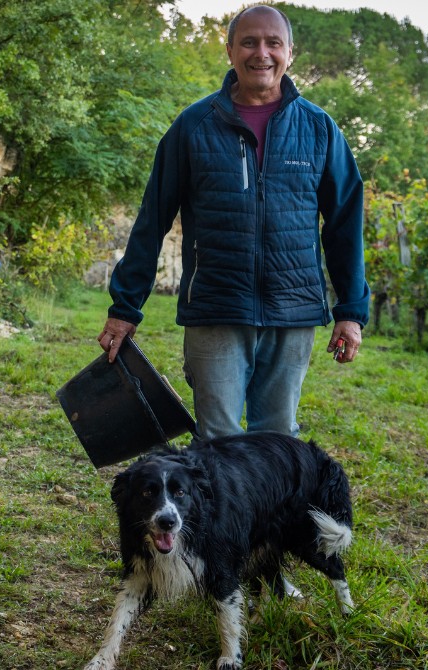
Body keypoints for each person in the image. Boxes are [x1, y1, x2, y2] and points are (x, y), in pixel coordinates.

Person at [97, 4, 369, 440]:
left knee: (277, 440)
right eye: (249, 42)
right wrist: (124, 308)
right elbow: (152, 221)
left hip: (292, 309)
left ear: (290, 53)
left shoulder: (319, 129)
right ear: (229, 50)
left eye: (273, 43)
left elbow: (344, 223)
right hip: (216, 308)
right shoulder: (193, 126)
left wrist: (351, 312)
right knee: (217, 441)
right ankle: (222, 512)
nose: (261, 53)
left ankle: (269, 512)